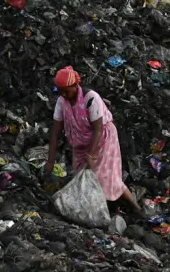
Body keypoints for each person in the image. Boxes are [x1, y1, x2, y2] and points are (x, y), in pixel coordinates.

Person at [44, 65, 145, 215]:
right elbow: (55, 133)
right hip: (80, 144)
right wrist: (50, 161)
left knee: (104, 179)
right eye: (60, 91)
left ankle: (135, 208)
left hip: (103, 140)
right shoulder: (61, 102)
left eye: (66, 90)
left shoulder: (90, 98)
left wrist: (91, 155)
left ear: (75, 85)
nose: (63, 94)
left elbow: (98, 130)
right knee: (80, 178)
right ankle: (91, 212)